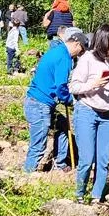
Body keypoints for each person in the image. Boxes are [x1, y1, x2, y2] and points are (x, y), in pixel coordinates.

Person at [70, 27, 109, 203]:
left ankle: (96, 197)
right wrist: (93, 84)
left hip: (106, 115)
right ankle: (79, 194)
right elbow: (74, 87)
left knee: (104, 159)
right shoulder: (87, 59)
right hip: (86, 111)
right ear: (103, 40)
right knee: (86, 158)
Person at [24, 28, 84, 172]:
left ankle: (60, 164)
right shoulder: (64, 57)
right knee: (38, 144)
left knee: (63, 125)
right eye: (81, 50)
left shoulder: (58, 51)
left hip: (43, 103)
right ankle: (27, 175)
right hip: (39, 104)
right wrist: (71, 101)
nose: (80, 54)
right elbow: (60, 87)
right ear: (76, 44)